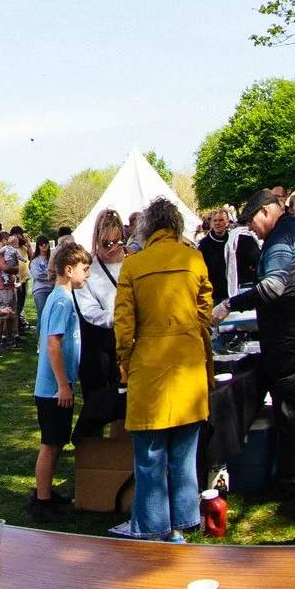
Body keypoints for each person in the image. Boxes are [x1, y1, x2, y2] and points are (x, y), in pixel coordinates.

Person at [112, 200, 213, 540]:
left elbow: (123, 324)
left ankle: (152, 529)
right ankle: (181, 524)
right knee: (184, 454)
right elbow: (205, 314)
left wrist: (126, 362)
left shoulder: (133, 266)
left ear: (147, 228)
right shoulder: (194, 258)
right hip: (188, 368)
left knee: (150, 456)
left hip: (149, 367)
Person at [228, 188, 295, 495]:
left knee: (290, 404)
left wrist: (231, 304)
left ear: (265, 212)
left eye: (253, 224)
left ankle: (286, 483)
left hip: (290, 328)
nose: (253, 231)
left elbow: (271, 288)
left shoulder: (281, 237)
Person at [27, 245, 89, 521]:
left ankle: (47, 492)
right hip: (53, 389)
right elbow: (52, 343)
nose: (86, 274)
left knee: (58, 441)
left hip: (55, 387)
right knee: (50, 444)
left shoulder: (59, 297)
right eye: (84, 269)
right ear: (69, 270)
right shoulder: (62, 300)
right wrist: (63, 385)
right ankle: (41, 501)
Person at [74, 212, 128, 434]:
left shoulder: (134, 263)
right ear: (97, 240)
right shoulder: (89, 270)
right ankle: (94, 458)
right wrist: (121, 317)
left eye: (117, 242)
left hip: (129, 340)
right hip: (98, 343)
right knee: (95, 403)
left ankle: (121, 454)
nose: (112, 248)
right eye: (106, 243)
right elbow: (90, 311)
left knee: (126, 401)